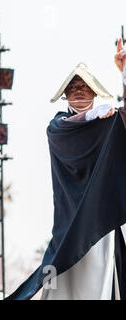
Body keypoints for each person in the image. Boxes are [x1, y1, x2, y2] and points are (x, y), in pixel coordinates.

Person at [8, 40, 126, 300]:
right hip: (69, 224)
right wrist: (91, 117)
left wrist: (123, 72)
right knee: (59, 287)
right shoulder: (58, 126)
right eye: (73, 88)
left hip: (101, 224)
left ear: (95, 93)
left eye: (84, 87)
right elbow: (69, 126)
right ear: (65, 95)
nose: (79, 91)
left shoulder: (109, 122)